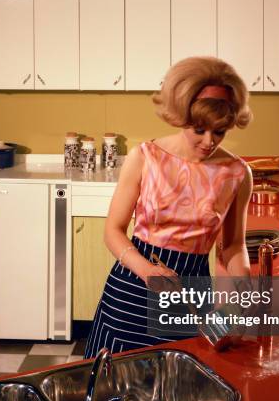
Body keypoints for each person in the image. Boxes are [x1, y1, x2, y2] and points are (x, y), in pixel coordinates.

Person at [83, 56, 253, 359]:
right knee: (115, 391)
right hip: (133, 289)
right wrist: (148, 272)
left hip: (192, 297)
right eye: (199, 129)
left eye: (219, 132)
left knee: (183, 390)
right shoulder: (145, 157)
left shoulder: (237, 173)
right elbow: (113, 231)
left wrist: (244, 292)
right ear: (181, 117)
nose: (208, 141)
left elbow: (233, 246)